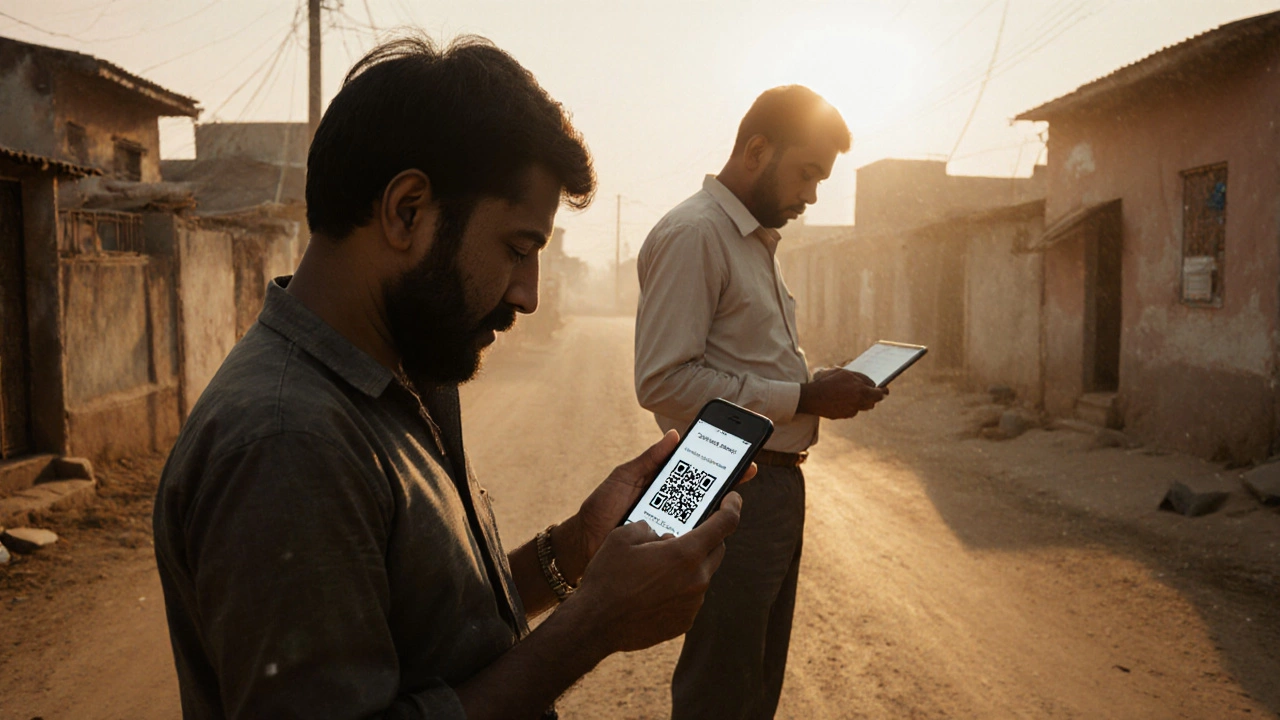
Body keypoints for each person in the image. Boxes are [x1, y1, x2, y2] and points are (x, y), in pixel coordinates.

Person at [152, 35, 747, 720]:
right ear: (407, 210)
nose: (528, 295)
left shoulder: (392, 379)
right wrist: (594, 627)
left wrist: (576, 547)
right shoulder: (288, 442)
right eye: (517, 249)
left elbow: (433, 632)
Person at [634, 85, 888, 719]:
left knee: (751, 679)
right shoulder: (696, 234)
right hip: (721, 473)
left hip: (765, 481)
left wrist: (816, 385)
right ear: (755, 148)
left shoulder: (752, 240)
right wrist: (804, 394)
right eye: (807, 173)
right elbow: (663, 382)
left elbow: (740, 363)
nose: (811, 195)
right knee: (721, 683)